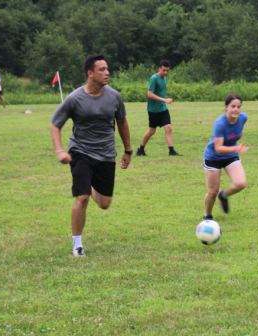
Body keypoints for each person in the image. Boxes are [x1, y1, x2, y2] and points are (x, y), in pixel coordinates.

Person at [50, 54, 133, 257]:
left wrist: (128, 150)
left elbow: (122, 122)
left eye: (107, 69)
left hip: (106, 154)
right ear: (90, 73)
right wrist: (60, 150)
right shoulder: (74, 98)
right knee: (83, 198)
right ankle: (77, 245)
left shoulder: (114, 96)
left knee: (104, 204)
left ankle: (90, 185)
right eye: (102, 69)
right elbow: (55, 124)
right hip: (81, 151)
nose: (107, 73)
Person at [202, 94, 249, 220]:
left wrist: (234, 150)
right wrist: (236, 148)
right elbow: (218, 148)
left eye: (238, 107)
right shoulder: (219, 123)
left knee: (240, 183)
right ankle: (208, 216)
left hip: (230, 156)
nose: (236, 109)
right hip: (213, 157)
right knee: (212, 192)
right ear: (226, 107)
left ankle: (223, 195)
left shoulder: (243, 118)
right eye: (233, 106)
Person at [135, 60, 181, 156]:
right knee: (152, 131)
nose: (166, 72)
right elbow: (149, 94)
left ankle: (171, 151)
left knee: (168, 128)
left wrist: (163, 102)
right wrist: (164, 100)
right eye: (164, 70)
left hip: (163, 109)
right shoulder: (154, 78)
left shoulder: (164, 78)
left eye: (167, 70)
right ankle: (140, 150)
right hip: (154, 110)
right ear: (159, 68)